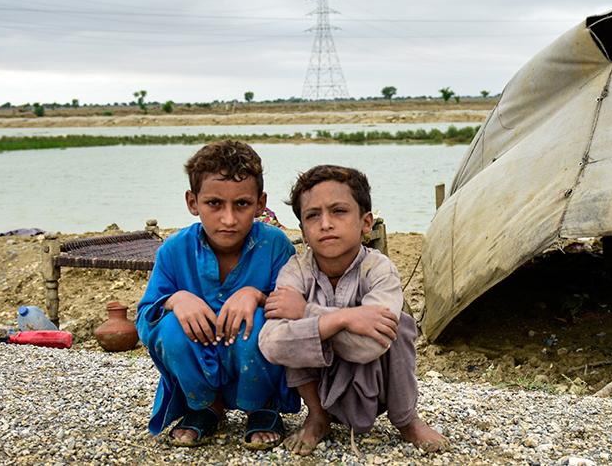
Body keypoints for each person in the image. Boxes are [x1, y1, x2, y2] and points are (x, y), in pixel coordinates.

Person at [259, 165, 447, 455]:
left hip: (371, 384)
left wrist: (307, 315)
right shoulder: (295, 271)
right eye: (313, 216)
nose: (325, 224)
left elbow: (369, 346)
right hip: (319, 384)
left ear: (366, 222)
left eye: (339, 211)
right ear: (303, 232)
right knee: (287, 338)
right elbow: (272, 344)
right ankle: (318, 417)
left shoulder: (379, 269)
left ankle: (406, 419)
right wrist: (346, 318)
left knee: (401, 325)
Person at [135, 140, 299, 449]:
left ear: (260, 203)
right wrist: (175, 299)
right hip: (199, 354)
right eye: (214, 204)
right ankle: (203, 406)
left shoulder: (276, 246)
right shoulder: (174, 250)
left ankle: (261, 406)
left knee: (264, 322)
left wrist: (256, 295)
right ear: (192, 202)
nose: (228, 219)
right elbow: (145, 317)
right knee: (169, 326)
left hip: (253, 360)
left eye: (242, 204)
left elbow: (295, 308)